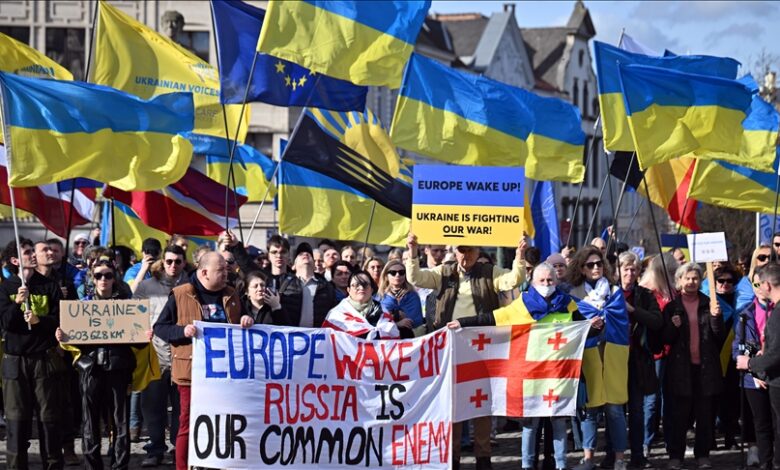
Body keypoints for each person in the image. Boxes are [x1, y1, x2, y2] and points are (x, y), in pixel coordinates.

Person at [406, 232, 527, 470]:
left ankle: (483, 457)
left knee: (481, 401)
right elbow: (416, 277)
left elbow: (513, 279)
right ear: (455, 251)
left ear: (478, 251)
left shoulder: (489, 272)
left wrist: (520, 255)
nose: (466, 255)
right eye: (462, 250)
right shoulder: (444, 271)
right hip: (450, 347)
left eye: (471, 250)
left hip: (481, 346)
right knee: (453, 402)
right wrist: (412, 250)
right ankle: (452, 458)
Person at [449, 262, 588, 470]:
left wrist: (594, 326)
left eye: (550, 280)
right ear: (533, 282)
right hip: (530, 377)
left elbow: (582, 328)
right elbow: (492, 319)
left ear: (557, 281)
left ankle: (561, 465)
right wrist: (463, 322)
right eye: (542, 280)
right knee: (530, 425)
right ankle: (527, 465)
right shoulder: (522, 304)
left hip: (557, 376)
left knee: (558, 422)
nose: (547, 284)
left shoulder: (568, 304)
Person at [153, 252, 253, 470]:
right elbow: (160, 328)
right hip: (191, 374)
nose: (226, 274)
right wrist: (182, 331)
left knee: (224, 423)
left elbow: (243, 320)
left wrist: (247, 319)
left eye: (227, 269)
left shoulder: (232, 294)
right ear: (204, 272)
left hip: (226, 375)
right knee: (187, 424)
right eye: (221, 270)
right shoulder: (181, 294)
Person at [56, 260, 141, 470]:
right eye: (98, 275)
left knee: (120, 421)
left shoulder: (125, 305)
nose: (103, 279)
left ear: (115, 278)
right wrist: (62, 335)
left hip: (118, 368)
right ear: (92, 279)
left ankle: (120, 465)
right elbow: (74, 337)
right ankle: (93, 466)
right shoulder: (82, 305)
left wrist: (144, 334)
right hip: (90, 368)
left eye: (108, 275)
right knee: (90, 421)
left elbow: (136, 339)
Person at [0, 239, 65, 470]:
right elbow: (6, 323)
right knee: (16, 423)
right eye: (27, 252)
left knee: (49, 420)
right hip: (15, 363)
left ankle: (53, 465)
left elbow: (62, 320)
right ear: (15, 260)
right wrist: (16, 303)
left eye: (31, 251)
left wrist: (40, 321)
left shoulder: (49, 286)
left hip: (44, 361)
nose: (33, 255)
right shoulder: (5, 288)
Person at [567, 247, 627, 470]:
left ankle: (620, 459)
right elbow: (572, 325)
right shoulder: (574, 295)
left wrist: (603, 317)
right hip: (589, 355)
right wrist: (587, 324)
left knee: (615, 409)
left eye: (599, 263)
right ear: (582, 268)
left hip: (612, 353)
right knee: (590, 410)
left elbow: (621, 320)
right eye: (590, 265)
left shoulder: (614, 291)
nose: (596, 268)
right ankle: (588, 458)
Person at [662, 263, 724, 470]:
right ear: (679, 281)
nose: (691, 282)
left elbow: (719, 338)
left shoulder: (710, 303)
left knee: (704, 415)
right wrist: (673, 325)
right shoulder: (672, 307)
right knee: (678, 415)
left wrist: (716, 318)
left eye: (695, 278)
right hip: (681, 369)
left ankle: (703, 455)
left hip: (705, 368)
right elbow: (665, 339)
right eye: (686, 278)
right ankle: (676, 455)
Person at [134, 245, 188, 467]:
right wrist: (141, 330)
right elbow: (133, 315)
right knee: (152, 406)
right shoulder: (147, 286)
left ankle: (178, 448)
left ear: (184, 262)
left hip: (183, 356)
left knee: (181, 408)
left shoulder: (191, 286)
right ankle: (155, 449)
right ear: (162, 262)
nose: (173, 265)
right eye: (169, 261)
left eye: (177, 261)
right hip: (155, 356)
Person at [618, 252, 663, 469]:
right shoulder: (609, 292)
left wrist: (633, 311)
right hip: (612, 359)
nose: (629, 273)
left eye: (633, 269)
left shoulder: (645, 295)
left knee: (636, 410)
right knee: (614, 412)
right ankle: (613, 455)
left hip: (637, 359)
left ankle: (638, 454)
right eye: (625, 269)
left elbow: (656, 321)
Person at [737, 263, 780, 470]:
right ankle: (766, 461)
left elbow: (776, 352)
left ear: (767, 285)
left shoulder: (777, 311)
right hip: (758, 378)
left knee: (777, 426)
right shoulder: (746, 314)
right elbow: (743, 344)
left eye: (760, 283)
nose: (759, 288)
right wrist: (756, 366)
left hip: (775, 377)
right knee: (763, 424)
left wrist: (754, 363)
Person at [323, 271, 399, 339]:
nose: (361, 288)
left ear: (371, 290)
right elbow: (327, 342)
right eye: (356, 285)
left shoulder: (383, 312)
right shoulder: (336, 314)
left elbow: (393, 343)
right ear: (348, 290)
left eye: (365, 284)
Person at [274, 251, 337, 328]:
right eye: (300, 254)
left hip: (318, 337)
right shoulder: (282, 283)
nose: (306, 255)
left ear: (314, 266)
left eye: (309, 255)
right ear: (293, 266)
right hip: (289, 336)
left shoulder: (327, 287)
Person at [378, 259, 420, 337]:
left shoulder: (412, 295)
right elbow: (378, 323)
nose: (398, 275)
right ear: (386, 276)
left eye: (401, 272)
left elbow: (416, 321)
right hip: (387, 340)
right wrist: (397, 323)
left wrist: (392, 315)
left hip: (410, 338)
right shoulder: (379, 297)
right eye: (393, 273)